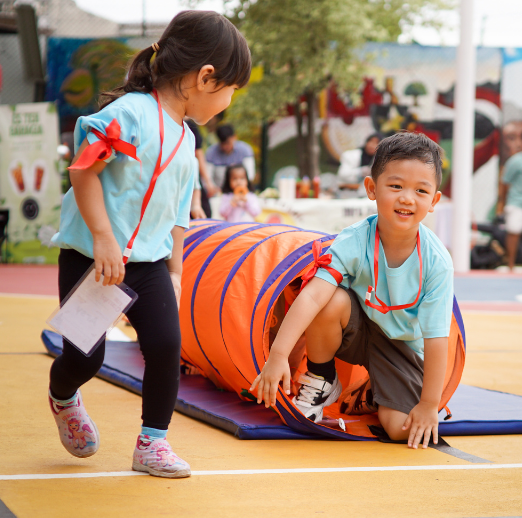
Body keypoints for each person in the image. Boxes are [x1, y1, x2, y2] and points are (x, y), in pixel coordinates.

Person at [48, 10, 251, 478]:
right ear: (205, 77)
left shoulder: (186, 139)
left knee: (165, 346)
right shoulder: (129, 114)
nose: (227, 103)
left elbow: (179, 213)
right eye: (230, 90)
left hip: (149, 263)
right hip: (93, 260)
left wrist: (176, 271)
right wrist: (103, 237)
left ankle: (152, 443)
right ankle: (63, 396)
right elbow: (84, 171)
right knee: (85, 357)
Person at [251, 131, 452, 450]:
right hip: (356, 330)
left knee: (401, 429)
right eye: (396, 186)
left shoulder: (436, 262)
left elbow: (437, 338)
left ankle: (372, 392)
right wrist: (277, 355)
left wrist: (429, 404)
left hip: (401, 348)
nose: (407, 198)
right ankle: (322, 378)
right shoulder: (354, 239)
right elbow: (312, 295)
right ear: (372, 188)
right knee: (328, 297)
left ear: (434, 201)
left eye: (421, 190)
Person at [206, 124, 255, 188]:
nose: (226, 147)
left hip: (241, 188)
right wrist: (212, 188)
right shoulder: (211, 152)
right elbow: (207, 176)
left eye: (228, 143)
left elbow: (250, 175)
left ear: (234, 137)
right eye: (223, 144)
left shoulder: (245, 150)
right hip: (218, 189)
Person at [497, 149, 522, 271]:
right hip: (516, 202)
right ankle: (510, 266)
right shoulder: (515, 161)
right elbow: (504, 182)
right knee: (513, 233)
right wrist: (501, 203)